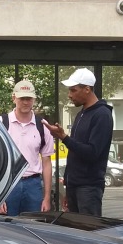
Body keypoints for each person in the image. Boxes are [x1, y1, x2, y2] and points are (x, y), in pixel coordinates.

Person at [44, 68, 113, 216]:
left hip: (89, 187)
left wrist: (64, 138)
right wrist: (69, 187)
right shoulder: (82, 113)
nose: (69, 95)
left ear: (87, 89)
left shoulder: (102, 115)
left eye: (73, 90)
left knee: (88, 235)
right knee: (75, 235)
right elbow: (75, 153)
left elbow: (92, 152)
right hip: (75, 186)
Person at [0, 80, 53, 216]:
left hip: (33, 186)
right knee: (7, 230)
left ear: (33, 99)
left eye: (28, 98)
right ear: (14, 98)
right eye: (22, 98)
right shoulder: (1, 123)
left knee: (33, 230)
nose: (25, 102)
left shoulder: (43, 126)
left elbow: (47, 162)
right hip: (8, 185)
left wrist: (46, 198)